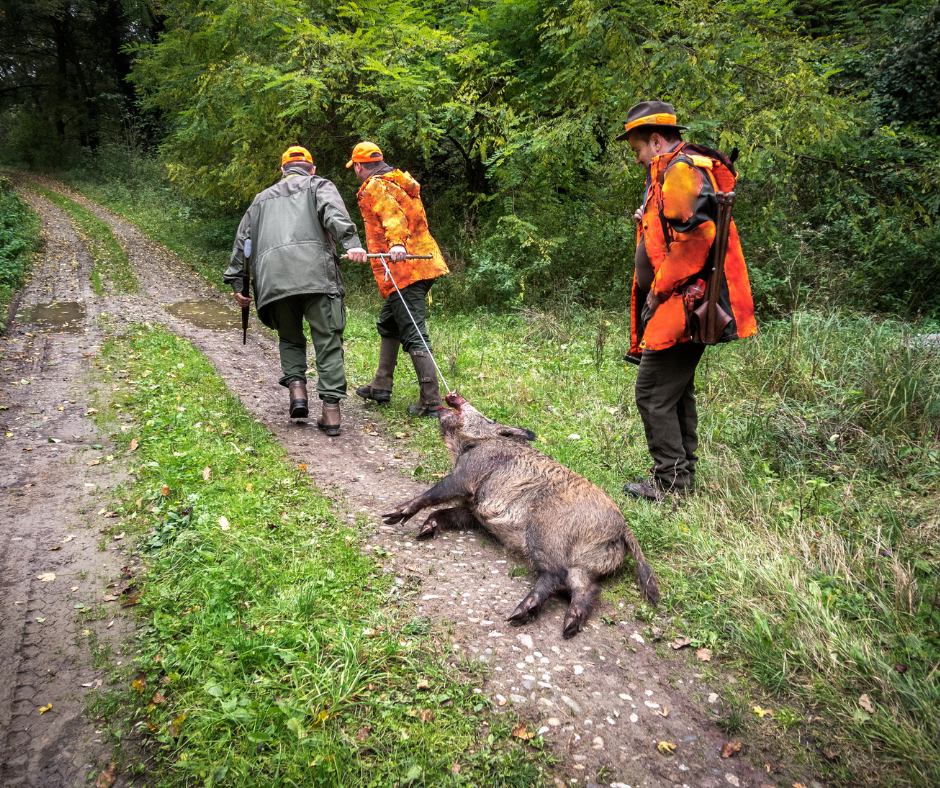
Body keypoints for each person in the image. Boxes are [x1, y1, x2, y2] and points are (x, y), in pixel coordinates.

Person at [617, 101, 757, 500]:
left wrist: (658, 291)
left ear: (657, 140)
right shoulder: (674, 170)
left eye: (638, 150)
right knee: (673, 391)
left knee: (652, 393)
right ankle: (680, 476)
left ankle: (670, 485)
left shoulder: (679, 172)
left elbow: (696, 241)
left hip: (682, 303)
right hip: (679, 301)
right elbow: (673, 228)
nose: (638, 158)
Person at [225, 146, 367, 436]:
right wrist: (351, 243)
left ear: (282, 171)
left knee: (290, 338)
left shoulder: (260, 200)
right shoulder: (319, 185)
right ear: (311, 169)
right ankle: (330, 414)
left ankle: (297, 394)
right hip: (317, 277)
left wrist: (238, 284)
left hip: (274, 281)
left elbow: (243, 243)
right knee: (327, 340)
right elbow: (333, 213)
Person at [344, 142, 450, 417]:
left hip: (405, 269)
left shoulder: (374, 186)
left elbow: (393, 217)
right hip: (422, 263)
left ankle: (431, 403)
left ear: (358, 165)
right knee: (389, 323)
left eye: (354, 168)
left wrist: (396, 245)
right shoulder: (399, 182)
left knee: (414, 333)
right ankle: (381, 385)